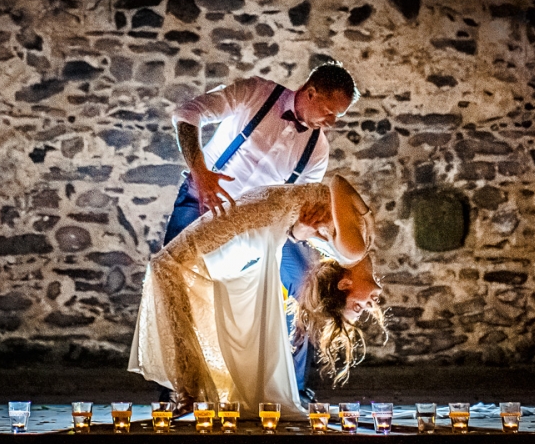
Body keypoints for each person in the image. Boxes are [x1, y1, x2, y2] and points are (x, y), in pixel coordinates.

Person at [162, 61, 360, 391]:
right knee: (172, 283)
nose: (333, 122)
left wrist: (300, 230)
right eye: (329, 111)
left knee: (304, 284)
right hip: (202, 203)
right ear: (309, 93)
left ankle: (290, 388)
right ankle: (176, 390)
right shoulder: (255, 92)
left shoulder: (317, 151)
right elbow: (186, 114)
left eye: (338, 115)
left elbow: (295, 212)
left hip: (260, 230)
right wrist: (199, 170)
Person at [129, 175, 383, 419]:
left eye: (358, 306)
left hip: (259, 218)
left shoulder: (351, 251)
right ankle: (191, 390)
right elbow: (336, 182)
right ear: (345, 282)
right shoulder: (355, 249)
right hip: (261, 211)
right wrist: (368, 219)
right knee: (170, 268)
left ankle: (190, 390)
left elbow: (329, 194)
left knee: (168, 267)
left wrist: (299, 232)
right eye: (359, 308)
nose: (370, 305)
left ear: (346, 282)